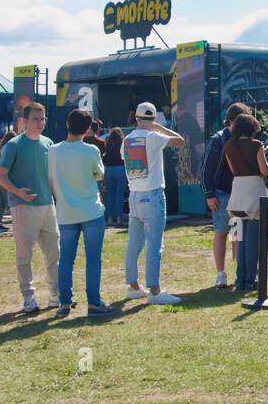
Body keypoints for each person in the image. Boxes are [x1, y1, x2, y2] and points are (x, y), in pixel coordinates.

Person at [0, 102, 61, 315]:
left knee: (54, 253)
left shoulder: (49, 143)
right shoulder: (14, 145)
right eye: (35, 119)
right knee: (25, 255)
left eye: (43, 119)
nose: (40, 123)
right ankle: (29, 297)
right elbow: (0, 175)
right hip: (23, 207)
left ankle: (56, 295)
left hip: (48, 205)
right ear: (25, 121)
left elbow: (52, 176)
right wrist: (18, 192)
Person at [49, 108, 113, 318]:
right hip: (91, 210)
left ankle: (64, 303)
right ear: (87, 130)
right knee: (93, 259)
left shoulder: (53, 151)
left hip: (66, 211)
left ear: (67, 124)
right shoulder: (91, 151)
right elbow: (99, 174)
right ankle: (94, 303)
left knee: (66, 260)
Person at [121, 100, 186, 305]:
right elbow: (180, 140)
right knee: (154, 244)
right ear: (154, 118)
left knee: (134, 243)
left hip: (134, 195)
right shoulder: (154, 136)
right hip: (153, 194)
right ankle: (154, 290)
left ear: (137, 118)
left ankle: (133, 286)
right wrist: (156, 127)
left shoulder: (128, 139)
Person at [201, 102, 250, 290]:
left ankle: (240, 273)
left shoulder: (244, 138)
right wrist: (209, 194)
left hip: (239, 193)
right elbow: (205, 169)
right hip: (221, 194)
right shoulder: (218, 139)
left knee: (238, 235)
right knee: (221, 234)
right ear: (230, 121)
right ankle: (221, 274)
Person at [224, 113, 268, 294]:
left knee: (240, 239)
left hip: (237, 192)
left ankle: (241, 279)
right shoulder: (256, 145)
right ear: (251, 128)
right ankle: (251, 280)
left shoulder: (228, 146)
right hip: (254, 192)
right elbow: (264, 171)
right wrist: (262, 155)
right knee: (253, 241)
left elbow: (234, 170)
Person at [103, 127, 127, 227]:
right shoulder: (123, 143)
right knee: (119, 194)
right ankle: (118, 218)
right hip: (121, 169)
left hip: (108, 170)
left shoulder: (107, 143)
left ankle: (109, 218)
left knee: (110, 195)